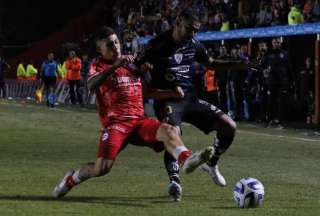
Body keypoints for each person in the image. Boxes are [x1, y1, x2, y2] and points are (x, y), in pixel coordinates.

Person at [52, 26, 214, 199]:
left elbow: (145, 92)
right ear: (100, 50)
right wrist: (115, 66)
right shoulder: (97, 65)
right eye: (110, 45)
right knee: (102, 168)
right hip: (116, 125)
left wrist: (170, 92)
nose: (115, 47)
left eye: (116, 42)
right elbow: (91, 85)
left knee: (170, 130)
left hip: (139, 122)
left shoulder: (132, 63)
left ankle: (187, 159)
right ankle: (71, 179)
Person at [137, 9, 237, 201]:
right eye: (189, 29)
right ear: (178, 23)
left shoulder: (194, 45)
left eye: (196, 31)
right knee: (174, 132)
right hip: (166, 100)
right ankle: (174, 181)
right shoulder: (156, 45)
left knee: (229, 126)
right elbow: (136, 70)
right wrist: (144, 72)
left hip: (190, 99)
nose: (193, 34)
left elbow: (211, 63)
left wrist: (239, 63)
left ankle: (212, 164)